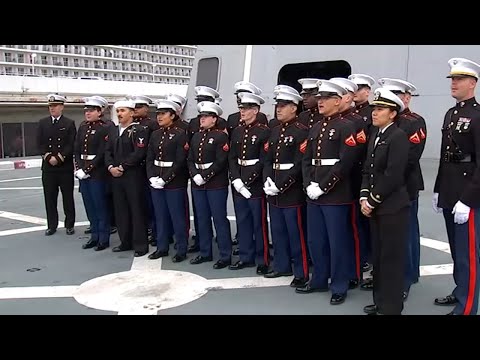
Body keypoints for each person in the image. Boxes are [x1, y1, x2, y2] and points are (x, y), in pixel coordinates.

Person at [298, 79, 358, 305]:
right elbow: (306, 160)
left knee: (337, 242)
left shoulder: (346, 127)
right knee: (316, 240)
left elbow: (345, 162)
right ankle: (319, 279)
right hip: (314, 194)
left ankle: (339, 285)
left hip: (335, 195)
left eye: (325, 99)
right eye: (319, 98)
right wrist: (308, 185)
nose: (320, 102)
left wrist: (323, 186)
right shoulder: (315, 127)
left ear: (337, 101)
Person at [433, 57, 480, 315]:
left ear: (472, 83)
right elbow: (445, 156)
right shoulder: (451, 114)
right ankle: (460, 290)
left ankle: (468, 307)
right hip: (451, 190)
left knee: (468, 255)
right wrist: (439, 189)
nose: (454, 83)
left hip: (468, 194)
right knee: (456, 250)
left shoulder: (477, 116)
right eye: (452, 79)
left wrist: (469, 198)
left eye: (459, 79)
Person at [360, 88, 410, 315]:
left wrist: (372, 200)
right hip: (377, 207)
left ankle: (391, 307)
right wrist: (363, 196)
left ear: (392, 113)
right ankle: (380, 301)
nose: (375, 113)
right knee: (379, 257)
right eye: (374, 109)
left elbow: (393, 175)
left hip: (392, 208)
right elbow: (368, 171)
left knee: (391, 259)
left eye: (380, 109)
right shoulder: (376, 135)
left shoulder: (398, 137)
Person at [377, 77, 427, 299]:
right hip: (385, 187)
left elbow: (410, 158)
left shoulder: (414, 122)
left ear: (407, 97)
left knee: (405, 234)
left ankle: (406, 278)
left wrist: (390, 182)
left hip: (405, 187)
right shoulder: (384, 122)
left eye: (398, 94)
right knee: (388, 236)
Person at [263, 86, 309, 287]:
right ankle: (282, 265)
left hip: (291, 192)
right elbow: (267, 160)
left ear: (294, 107)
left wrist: (281, 185)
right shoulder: (274, 132)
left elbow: (300, 164)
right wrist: (268, 181)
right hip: (274, 189)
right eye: (277, 106)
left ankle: (301, 271)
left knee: (296, 233)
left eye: (283, 106)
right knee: (278, 231)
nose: (278, 110)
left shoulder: (301, 132)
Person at [228, 92, 271, 275]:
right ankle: (246, 256)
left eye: (245, 109)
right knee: (243, 221)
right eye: (241, 108)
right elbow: (232, 157)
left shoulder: (263, 132)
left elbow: (264, 160)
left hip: (254, 184)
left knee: (258, 223)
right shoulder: (237, 131)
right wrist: (237, 180)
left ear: (255, 110)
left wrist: (247, 182)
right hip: (239, 182)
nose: (242, 111)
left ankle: (263, 259)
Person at [187, 101, 232, 269]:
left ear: (214, 119)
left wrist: (205, 176)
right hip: (198, 182)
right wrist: (195, 175)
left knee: (219, 219)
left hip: (215, 184)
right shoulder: (197, 136)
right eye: (201, 116)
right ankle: (205, 252)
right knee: (202, 218)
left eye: (206, 116)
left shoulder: (221, 137)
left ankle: (225, 255)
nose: (202, 119)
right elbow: (190, 158)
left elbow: (221, 161)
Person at [147, 99, 190, 262]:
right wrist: (151, 176)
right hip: (156, 180)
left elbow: (180, 161)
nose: (159, 117)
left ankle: (181, 249)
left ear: (172, 115)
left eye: (163, 114)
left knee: (177, 216)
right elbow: (150, 157)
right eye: (158, 113)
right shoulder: (155, 134)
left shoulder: (180, 134)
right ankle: (162, 247)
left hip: (174, 182)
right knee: (160, 216)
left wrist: (165, 179)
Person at [105, 99, 149, 257]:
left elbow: (139, 152)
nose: (119, 114)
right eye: (118, 111)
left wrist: (123, 167)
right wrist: (111, 167)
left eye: (123, 111)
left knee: (136, 209)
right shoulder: (114, 131)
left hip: (133, 175)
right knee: (121, 209)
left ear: (132, 113)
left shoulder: (139, 130)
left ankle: (140, 245)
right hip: (116, 176)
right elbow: (107, 151)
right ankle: (125, 241)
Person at [36, 93, 76, 236]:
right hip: (48, 168)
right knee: (50, 198)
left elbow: (71, 144)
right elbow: (39, 143)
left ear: (62, 107)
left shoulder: (69, 123)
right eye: (50, 106)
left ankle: (69, 224)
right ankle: (51, 225)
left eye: (55, 106)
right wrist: (48, 157)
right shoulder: (43, 123)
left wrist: (59, 157)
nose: (52, 109)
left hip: (64, 167)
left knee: (67, 198)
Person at [74, 96, 111, 251]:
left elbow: (102, 152)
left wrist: (87, 169)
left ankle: (103, 238)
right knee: (89, 206)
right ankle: (94, 236)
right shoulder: (83, 127)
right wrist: (78, 168)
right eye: (86, 110)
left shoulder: (105, 127)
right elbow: (77, 149)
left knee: (100, 206)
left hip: (97, 173)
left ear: (99, 111)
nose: (87, 113)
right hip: (83, 173)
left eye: (91, 110)